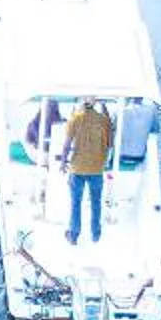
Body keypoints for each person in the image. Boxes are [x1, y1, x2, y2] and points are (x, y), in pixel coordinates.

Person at [62, 99, 117, 243]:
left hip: (77, 167)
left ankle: (73, 235)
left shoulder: (75, 119)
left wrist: (62, 162)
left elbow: (67, 145)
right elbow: (110, 144)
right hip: (97, 168)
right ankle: (96, 234)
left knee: (75, 203)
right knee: (96, 202)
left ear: (81, 106)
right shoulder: (104, 121)